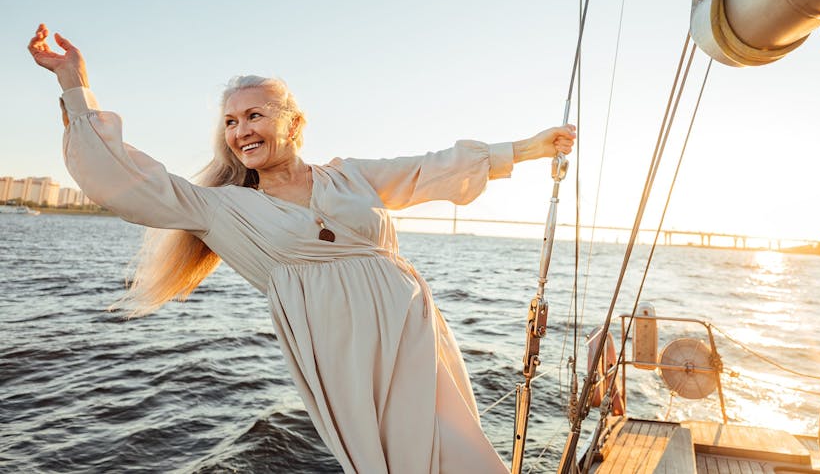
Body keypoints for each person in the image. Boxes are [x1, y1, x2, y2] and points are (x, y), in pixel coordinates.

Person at [28, 23, 576, 474]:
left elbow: (428, 169)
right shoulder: (219, 208)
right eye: (231, 122)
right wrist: (74, 82)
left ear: (294, 123)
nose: (241, 130)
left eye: (255, 115)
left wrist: (528, 148)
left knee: (464, 455)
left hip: (414, 332)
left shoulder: (350, 177)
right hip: (344, 356)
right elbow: (125, 177)